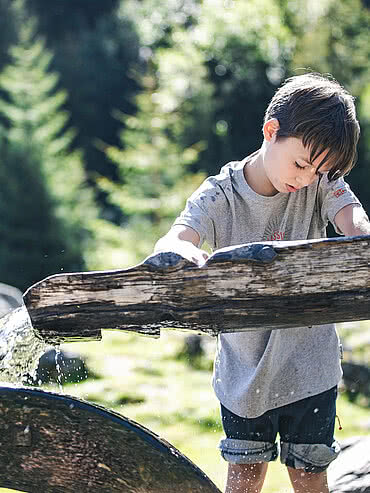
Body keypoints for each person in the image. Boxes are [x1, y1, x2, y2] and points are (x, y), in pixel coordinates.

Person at [154, 73, 370, 493]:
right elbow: (178, 235)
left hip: (311, 366)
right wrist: (183, 252)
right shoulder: (220, 194)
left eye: (319, 170)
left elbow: (355, 223)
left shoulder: (322, 180)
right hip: (243, 372)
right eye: (301, 164)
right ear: (271, 131)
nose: (307, 178)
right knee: (244, 480)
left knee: (310, 477)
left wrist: (359, 236)